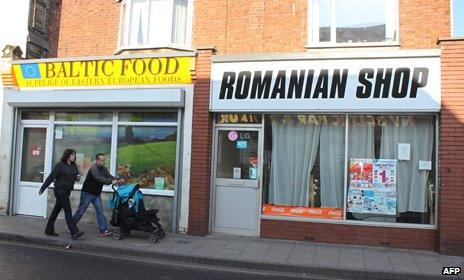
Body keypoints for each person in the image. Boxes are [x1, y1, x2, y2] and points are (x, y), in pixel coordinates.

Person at [38, 149, 84, 240]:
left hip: (67, 191)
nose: (74, 156)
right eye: (72, 155)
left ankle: (49, 230)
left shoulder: (74, 166)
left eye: (74, 155)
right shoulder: (60, 165)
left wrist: (78, 177)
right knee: (68, 211)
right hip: (60, 190)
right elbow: (51, 177)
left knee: (56, 210)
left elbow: (75, 177)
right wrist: (42, 188)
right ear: (67, 155)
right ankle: (74, 232)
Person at [72, 153, 122, 236]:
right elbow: (99, 178)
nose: (104, 162)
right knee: (81, 211)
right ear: (97, 160)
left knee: (100, 211)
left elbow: (108, 176)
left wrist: (117, 179)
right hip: (87, 193)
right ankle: (71, 226)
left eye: (104, 160)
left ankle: (103, 230)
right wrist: (110, 182)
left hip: (96, 194)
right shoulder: (93, 168)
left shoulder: (103, 169)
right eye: (102, 160)